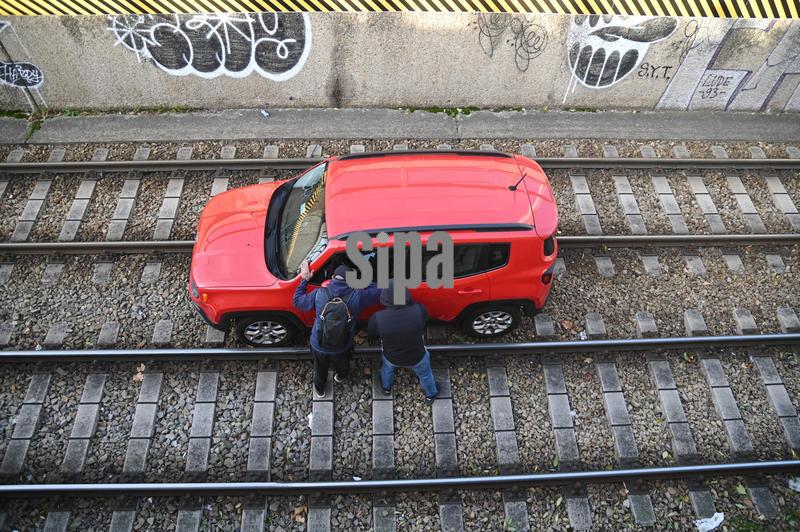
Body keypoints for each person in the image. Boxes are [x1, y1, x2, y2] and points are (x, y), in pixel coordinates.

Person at [293, 262, 381, 398]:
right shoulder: (358, 296)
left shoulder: (319, 294)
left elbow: (297, 301)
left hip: (319, 344)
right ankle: (340, 376)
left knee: (320, 368)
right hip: (342, 345)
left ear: (332, 277)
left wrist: (304, 280)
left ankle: (320, 390)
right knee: (343, 364)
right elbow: (379, 289)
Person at [367, 280, 440, 403]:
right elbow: (424, 323)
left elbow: (372, 336)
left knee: (386, 371)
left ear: (384, 297)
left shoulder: (377, 319)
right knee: (426, 375)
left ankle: (386, 388)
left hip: (391, 356)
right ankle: (431, 394)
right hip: (417, 355)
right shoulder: (419, 310)